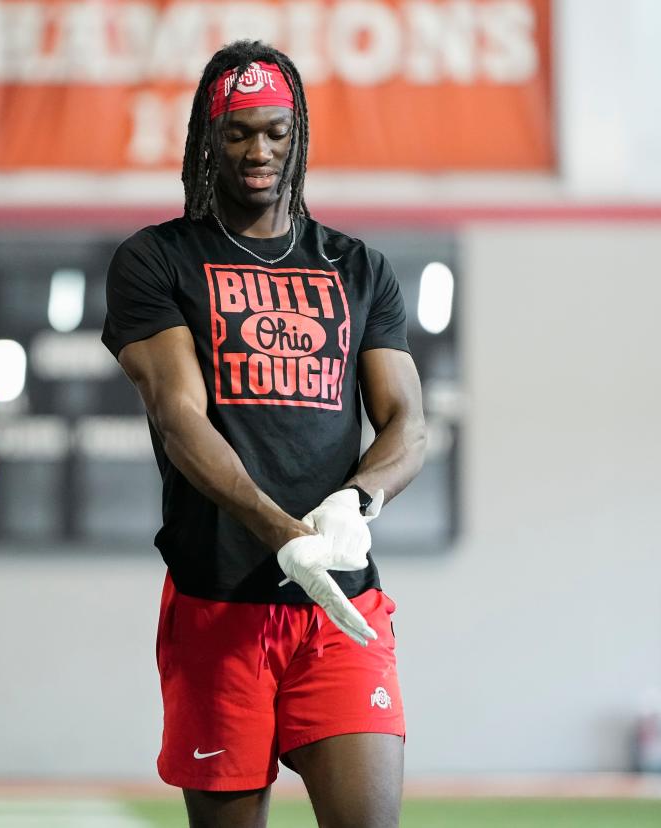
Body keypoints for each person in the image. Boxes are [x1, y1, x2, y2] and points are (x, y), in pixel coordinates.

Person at [102, 41, 427, 828]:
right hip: (219, 603)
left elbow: (408, 423)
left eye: (276, 132)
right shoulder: (159, 260)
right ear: (208, 139)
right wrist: (280, 532)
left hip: (341, 608)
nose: (260, 151)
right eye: (240, 131)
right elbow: (179, 414)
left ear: (299, 135)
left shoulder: (357, 267)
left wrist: (357, 500)